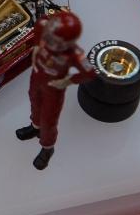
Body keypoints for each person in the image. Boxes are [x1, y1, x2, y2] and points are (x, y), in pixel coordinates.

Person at [15, 11, 95, 170]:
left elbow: (90, 72)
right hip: (37, 78)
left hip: (53, 88)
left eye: (55, 41)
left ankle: (47, 148)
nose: (50, 42)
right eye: (49, 37)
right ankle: (35, 127)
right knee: (34, 103)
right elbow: (40, 23)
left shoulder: (75, 54)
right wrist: (36, 46)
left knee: (48, 120)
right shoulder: (45, 27)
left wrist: (68, 81)